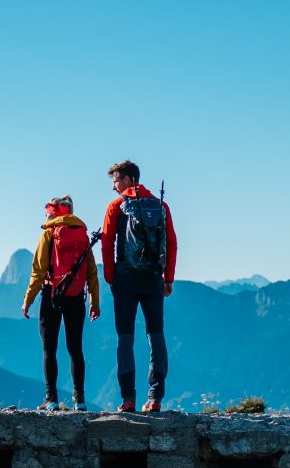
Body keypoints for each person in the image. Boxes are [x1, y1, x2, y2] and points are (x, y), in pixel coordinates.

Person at [96, 159, 176, 412]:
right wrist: (168, 278)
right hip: (153, 277)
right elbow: (171, 243)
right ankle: (155, 398)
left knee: (125, 338)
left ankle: (128, 398)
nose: (114, 187)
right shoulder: (161, 205)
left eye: (116, 181)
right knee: (156, 335)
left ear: (129, 179)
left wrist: (110, 277)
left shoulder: (116, 206)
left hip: (125, 279)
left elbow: (107, 244)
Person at [20, 195, 99, 409]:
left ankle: (51, 399)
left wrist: (28, 299)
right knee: (75, 348)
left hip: (52, 294)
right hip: (76, 297)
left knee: (49, 348)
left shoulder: (48, 233)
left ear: (53, 213)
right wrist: (94, 301)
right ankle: (79, 400)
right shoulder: (82, 235)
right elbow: (92, 271)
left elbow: (37, 272)